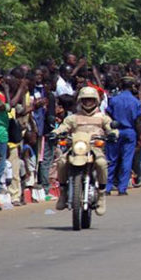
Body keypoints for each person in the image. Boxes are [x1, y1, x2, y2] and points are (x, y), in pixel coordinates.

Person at [52, 87, 113, 215]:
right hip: (76, 148)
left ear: (96, 101)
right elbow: (63, 127)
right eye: (85, 100)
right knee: (62, 162)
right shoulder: (73, 117)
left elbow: (111, 128)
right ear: (80, 101)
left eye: (91, 100)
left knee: (102, 163)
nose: (88, 103)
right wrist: (55, 133)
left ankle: (102, 195)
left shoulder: (102, 117)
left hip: (95, 148)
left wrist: (113, 134)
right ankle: (63, 193)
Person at [105, 77, 141, 196]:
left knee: (111, 160)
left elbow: (109, 115)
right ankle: (122, 188)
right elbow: (138, 121)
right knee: (127, 160)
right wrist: (139, 136)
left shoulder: (114, 100)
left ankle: (107, 187)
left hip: (115, 131)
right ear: (132, 86)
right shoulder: (135, 101)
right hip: (130, 131)